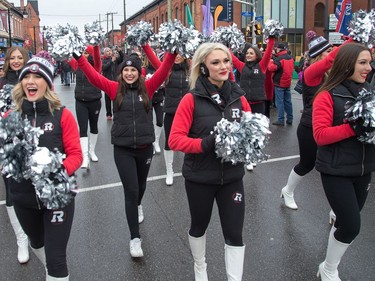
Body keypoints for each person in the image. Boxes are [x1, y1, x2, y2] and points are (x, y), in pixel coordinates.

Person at [74, 48, 177, 257]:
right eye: (126, 70)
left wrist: (172, 54)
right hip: (123, 150)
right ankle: (135, 238)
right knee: (130, 190)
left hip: (145, 147)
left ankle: (138, 204)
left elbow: (164, 70)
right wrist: (80, 59)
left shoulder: (148, 87)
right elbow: (94, 77)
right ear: (121, 73)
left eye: (133, 70)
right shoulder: (113, 88)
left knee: (140, 186)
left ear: (139, 73)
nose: (129, 73)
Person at [169, 42, 251, 281]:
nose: (224, 66)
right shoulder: (190, 99)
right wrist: (206, 143)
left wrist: (254, 138)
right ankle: (200, 267)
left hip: (233, 178)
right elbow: (175, 140)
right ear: (203, 68)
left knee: (235, 234)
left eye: (226, 61)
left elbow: (251, 127)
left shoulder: (238, 96)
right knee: (199, 227)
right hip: (200, 178)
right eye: (216, 62)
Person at [9, 57, 82, 280]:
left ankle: (54, 271)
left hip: (58, 196)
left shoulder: (62, 115)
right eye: (27, 77)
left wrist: (54, 170)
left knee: (57, 259)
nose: (31, 81)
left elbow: (76, 156)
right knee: (37, 244)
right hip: (24, 199)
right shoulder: (10, 118)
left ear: (48, 83)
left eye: (37, 76)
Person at [313, 43, 375, 281]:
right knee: (351, 226)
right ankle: (329, 269)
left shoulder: (368, 91)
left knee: (345, 223)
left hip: (364, 168)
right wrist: (353, 127)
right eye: (362, 63)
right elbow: (320, 135)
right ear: (347, 64)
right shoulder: (326, 94)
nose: (368, 68)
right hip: (335, 169)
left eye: (369, 62)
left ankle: (329, 264)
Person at [280, 32, 334, 210]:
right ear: (319, 55)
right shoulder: (310, 73)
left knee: (333, 167)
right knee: (307, 164)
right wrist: (351, 43)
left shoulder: (332, 74)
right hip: (309, 126)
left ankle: (337, 209)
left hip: (330, 128)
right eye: (328, 51)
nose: (332, 53)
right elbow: (330, 60)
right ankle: (288, 190)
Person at [0, 46, 30, 264]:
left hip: (30, 143)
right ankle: (21, 238)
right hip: (6, 145)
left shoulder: (33, 80)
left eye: (20, 57)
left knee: (30, 189)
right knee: (11, 192)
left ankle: (32, 231)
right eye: (13, 58)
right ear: (8, 60)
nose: (17, 61)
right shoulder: (0, 83)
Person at [231, 37, 275, 171]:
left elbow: (268, 52)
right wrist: (225, 44)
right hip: (245, 104)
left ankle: (253, 155)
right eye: (247, 53)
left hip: (258, 103)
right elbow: (231, 57)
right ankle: (247, 158)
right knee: (245, 132)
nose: (248, 55)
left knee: (256, 132)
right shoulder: (241, 66)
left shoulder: (262, 66)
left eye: (251, 53)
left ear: (256, 55)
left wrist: (271, 39)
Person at [69, 45, 102, 169]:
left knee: (94, 127)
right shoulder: (77, 65)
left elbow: (98, 57)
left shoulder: (96, 66)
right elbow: (69, 54)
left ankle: (92, 151)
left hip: (94, 100)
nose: (84, 55)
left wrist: (96, 45)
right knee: (82, 129)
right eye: (83, 53)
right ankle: (85, 157)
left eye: (87, 53)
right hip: (80, 101)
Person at [268, 42, 295, 126]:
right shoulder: (290, 58)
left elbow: (271, 68)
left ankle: (281, 120)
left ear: (278, 49)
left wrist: (270, 61)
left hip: (279, 83)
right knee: (288, 101)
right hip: (287, 82)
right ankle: (290, 118)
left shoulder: (279, 59)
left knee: (280, 102)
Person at [101, 46, 123, 120]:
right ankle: (109, 114)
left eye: (110, 51)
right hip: (107, 82)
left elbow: (122, 59)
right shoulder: (104, 60)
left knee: (116, 98)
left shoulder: (115, 60)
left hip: (115, 82)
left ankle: (115, 112)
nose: (109, 52)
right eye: (107, 51)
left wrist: (120, 51)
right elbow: (103, 68)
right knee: (107, 99)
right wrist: (111, 61)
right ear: (104, 53)